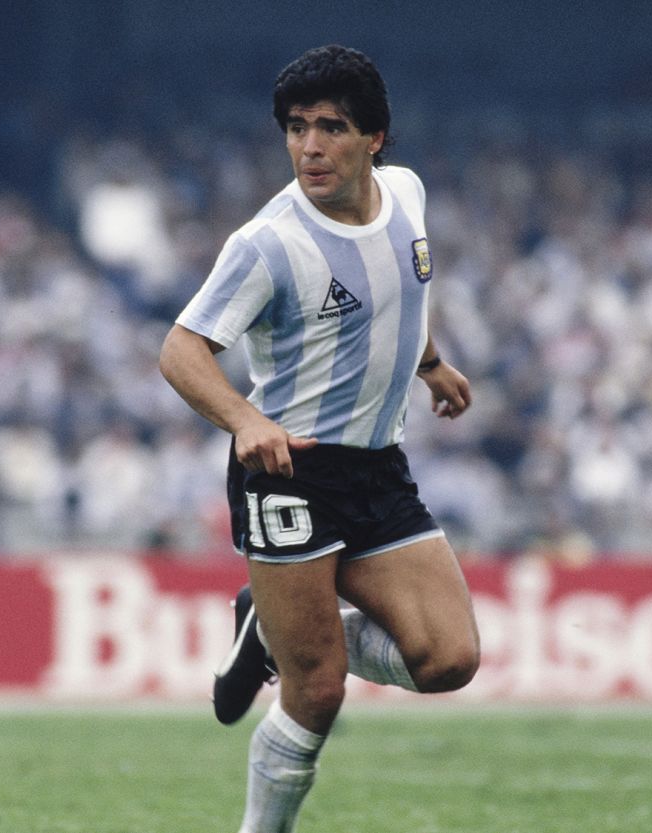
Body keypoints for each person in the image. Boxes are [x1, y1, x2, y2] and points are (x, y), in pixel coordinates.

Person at [159, 44, 481, 833]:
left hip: (378, 466)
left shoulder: (407, 194)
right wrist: (245, 419)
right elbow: (181, 349)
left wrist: (431, 362)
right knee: (318, 688)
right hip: (290, 472)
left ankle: (269, 626)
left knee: (449, 659)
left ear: (376, 139)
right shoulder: (267, 244)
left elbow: (404, 288)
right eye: (297, 128)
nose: (309, 146)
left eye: (331, 127)